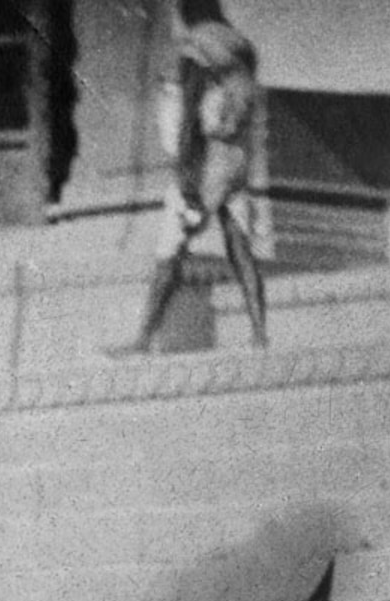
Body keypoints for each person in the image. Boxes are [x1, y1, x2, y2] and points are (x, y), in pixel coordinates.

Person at [129, 0, 266, 352]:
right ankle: (259, 334)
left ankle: (143, 338)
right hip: (235, 160)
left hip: (205, 163)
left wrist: (187, 174)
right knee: (240, 248)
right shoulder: (240, 48)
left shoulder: (197, 46)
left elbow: (190, 115)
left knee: (170, 250)